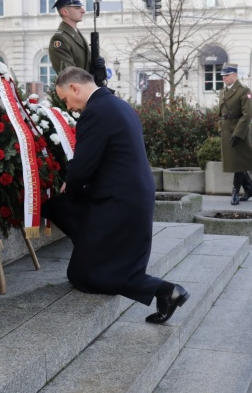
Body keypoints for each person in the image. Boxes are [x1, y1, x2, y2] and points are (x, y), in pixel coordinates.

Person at [42, 67, 189, 324]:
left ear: (75, 88)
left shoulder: (95, 112)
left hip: (117, 199)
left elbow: (83, 164)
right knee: (82, 271)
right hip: (132, 194)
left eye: (66, 99)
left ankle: (165, 290)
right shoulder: (118, 105)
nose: (69, 107)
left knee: (89, 272)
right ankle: (164, 291)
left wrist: (70, 187)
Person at [217, 64, 252, 205]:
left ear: (235, 75)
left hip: (239, 130)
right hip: (226, 130)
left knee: (238, 163)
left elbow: (247, 115)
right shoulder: (222, 91)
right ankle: (249, 189)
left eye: (227, 75)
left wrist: (238, 133)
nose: (224, 77)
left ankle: (235, 191)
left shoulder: (243, 91)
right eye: (223, 75)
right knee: (236, 162)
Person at [48, 0, 105, 75]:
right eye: (77, 8)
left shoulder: (76, 35)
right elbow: (70, 75)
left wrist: (98, 64)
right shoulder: (60, 39)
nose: (83, 11)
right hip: (76, 88)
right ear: (64, 12)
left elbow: (85, 66)